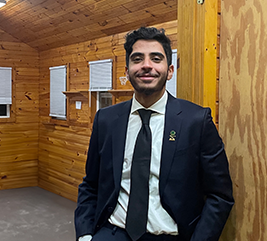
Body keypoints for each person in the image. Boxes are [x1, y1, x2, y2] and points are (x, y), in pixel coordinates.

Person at [75, 27, 234, 241]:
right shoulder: (106, 119)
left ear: (169, 70)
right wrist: (85, 234)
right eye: (137, 59)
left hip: (170, 235)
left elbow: (220, 195)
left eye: (156, 58)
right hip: (112, 231)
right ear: (127, 70)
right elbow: (90, 184)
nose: (146, 66)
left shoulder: (196, 121)